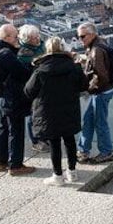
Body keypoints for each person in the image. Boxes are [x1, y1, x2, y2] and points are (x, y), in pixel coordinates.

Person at [24, 37, 89, 186]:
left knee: (54, 143)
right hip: (69, 108)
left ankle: (57, 176)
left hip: (48, 111)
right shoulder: (73, 66)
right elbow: (84, 85)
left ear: (47, 50)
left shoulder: (41, 70)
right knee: (70, 140)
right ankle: (72, 172)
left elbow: (28, 91)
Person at [0, 24, 36, 176]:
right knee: (16, 131)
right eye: (15, 36)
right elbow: (23, 74)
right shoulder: (6, 55)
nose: (17, 39)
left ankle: (2, 162)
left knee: (3, 128)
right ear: (6, 38)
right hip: (12, 99)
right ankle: (16, 165)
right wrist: (32, 66)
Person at [76, 22, 113, 164]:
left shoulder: (96, 51)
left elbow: (101, 75)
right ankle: (83, 150)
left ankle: (106, 152)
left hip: (101, 92)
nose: (80, 40)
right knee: (88, 120)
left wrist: (89, 88)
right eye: (78, 37)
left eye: (82, 36)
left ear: (92, 34)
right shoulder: (99, 44)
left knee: (100, 123)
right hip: (103, 91)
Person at [17, 24, 48, 153]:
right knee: (32, 114)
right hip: (31, 87)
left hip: (44, 85)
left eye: (38, 36)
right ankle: (35, 141)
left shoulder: (41, 44)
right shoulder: (23, 53)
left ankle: (44, 136)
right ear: (27, 39)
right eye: (34, 38)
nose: (37, 39)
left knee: (44, 112)